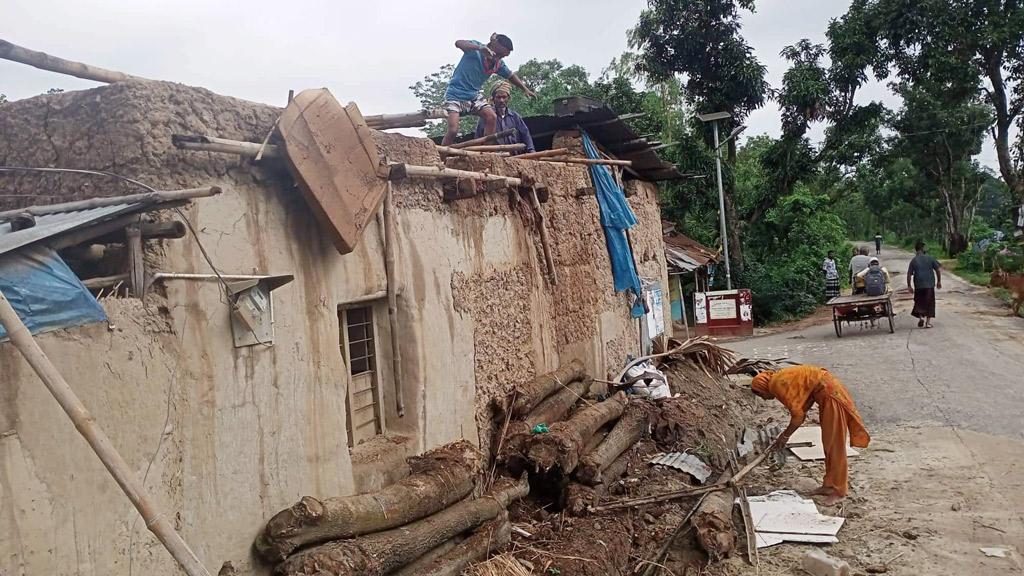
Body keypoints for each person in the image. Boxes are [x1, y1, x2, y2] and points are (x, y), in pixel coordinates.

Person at [751, 366, 870, 505]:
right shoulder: (779, 379)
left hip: (830, 396)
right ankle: (829, 485)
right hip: (825, 394)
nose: (764, 399)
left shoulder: (776, 385)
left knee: (835, 446)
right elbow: (805, 396)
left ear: (762, 387)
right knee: (828, 444)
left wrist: (785, 436)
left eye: (761, 395)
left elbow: (798, 416)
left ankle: (839, 491)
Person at [442, 34, 535, 146]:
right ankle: (441, 159)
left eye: (502, 56)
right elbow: (458, 43)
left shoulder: (498, 64)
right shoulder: (475, 49)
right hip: (455, 94)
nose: (498, 58)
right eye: (498, 54)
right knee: (453, 130)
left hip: (473, 96)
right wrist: (479, 48)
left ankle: (487, 151)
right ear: (492, 45)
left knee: (491, 116)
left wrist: (525, 89)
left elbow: (510, 75)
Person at [473, 80, 535, 154]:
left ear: (508, 98)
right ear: (493, 99)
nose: (501, 100)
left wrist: (531, 150)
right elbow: (478, 139)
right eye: (498, 97)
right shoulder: (486, 117)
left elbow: (526, 135)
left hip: (515, 158)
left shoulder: (515, 117)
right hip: (495, 158)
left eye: (504, 97)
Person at [907, 240, 942, 328]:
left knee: (919, 302)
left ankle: (921, 317)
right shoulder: (930, 258)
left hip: (918, 285)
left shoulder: (914, 260)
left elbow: (909, 274)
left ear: (916, 250)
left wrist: (909, 286)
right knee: (930, 302)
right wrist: (939, 281)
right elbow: (938, 269)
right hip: (929, 284)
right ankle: (928, 323)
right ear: (922, 249)